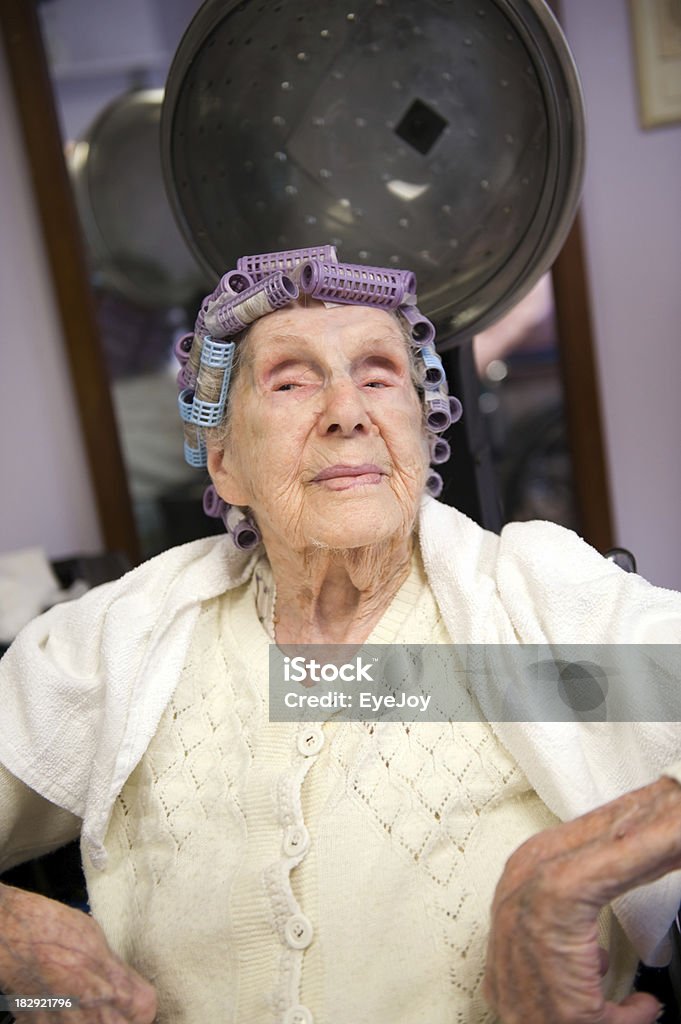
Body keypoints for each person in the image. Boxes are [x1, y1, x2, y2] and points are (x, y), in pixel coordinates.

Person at [0, 246, 680, 1024]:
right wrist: (15, 936)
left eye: (379, 375)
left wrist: (565, 873)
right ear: (224, 464)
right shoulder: (127, 633)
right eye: (290, 381)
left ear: (421, 436)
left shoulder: (531, 603)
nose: (346, 410)